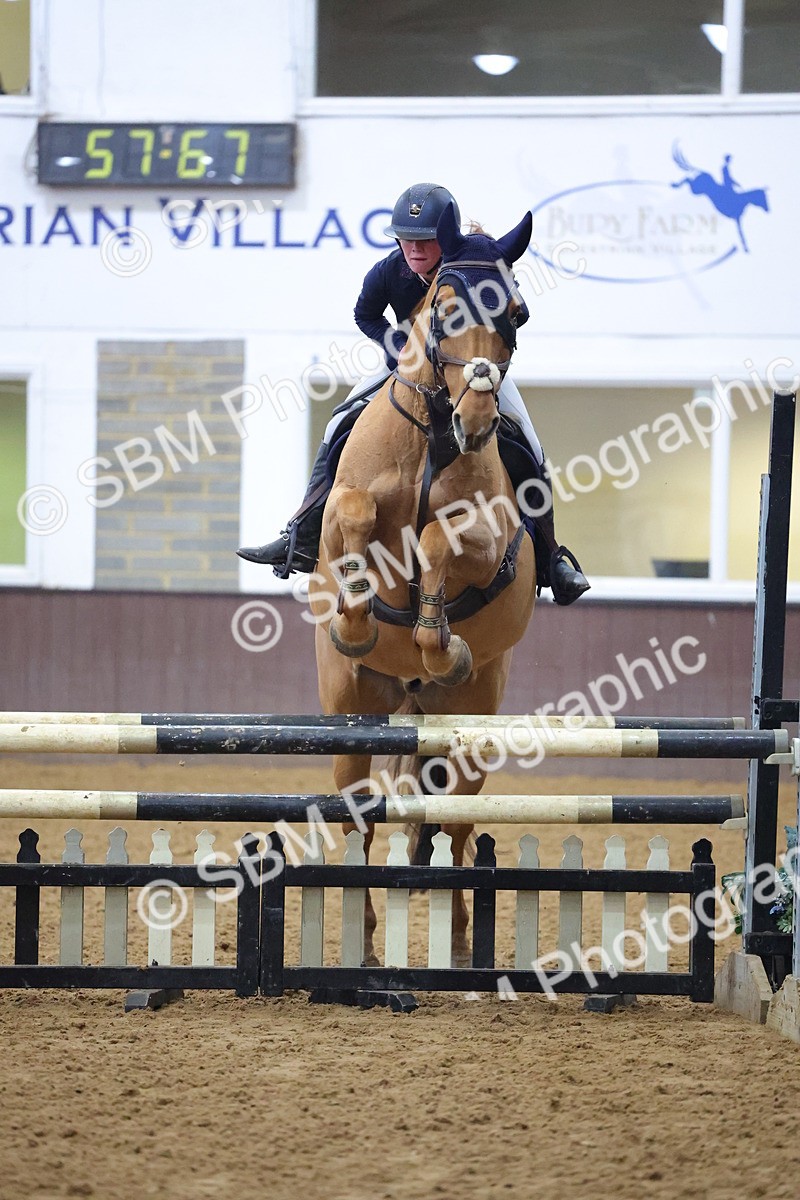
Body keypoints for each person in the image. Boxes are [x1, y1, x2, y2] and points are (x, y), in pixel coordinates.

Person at [238, 182, 589, 604]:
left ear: (444, 238)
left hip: (467, 370)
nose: (414, 249)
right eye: (405, 238)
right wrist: (397, 348)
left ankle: (553, 558)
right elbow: (364, 314)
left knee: (529, 442)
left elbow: (512, 311)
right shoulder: (390, 271)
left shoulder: (475, 265)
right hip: (406, 366)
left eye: (424, 240)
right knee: (338, 422)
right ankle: (302, 530)